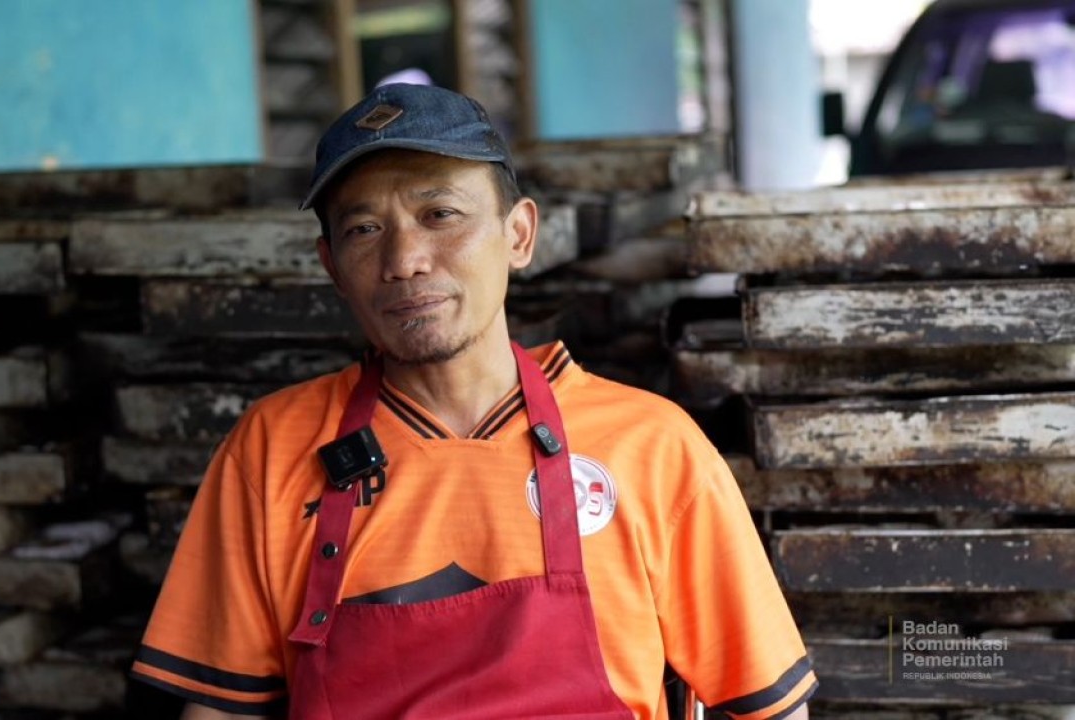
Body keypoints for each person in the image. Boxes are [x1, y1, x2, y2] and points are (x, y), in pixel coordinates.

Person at [130, 83, 817, 719]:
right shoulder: (272, 449)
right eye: (365, 229)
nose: (406, 259)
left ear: (518, 234)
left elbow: (772, 708)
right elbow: (218, 710)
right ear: (331, 265)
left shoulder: (653, 447)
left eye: (440, 214)